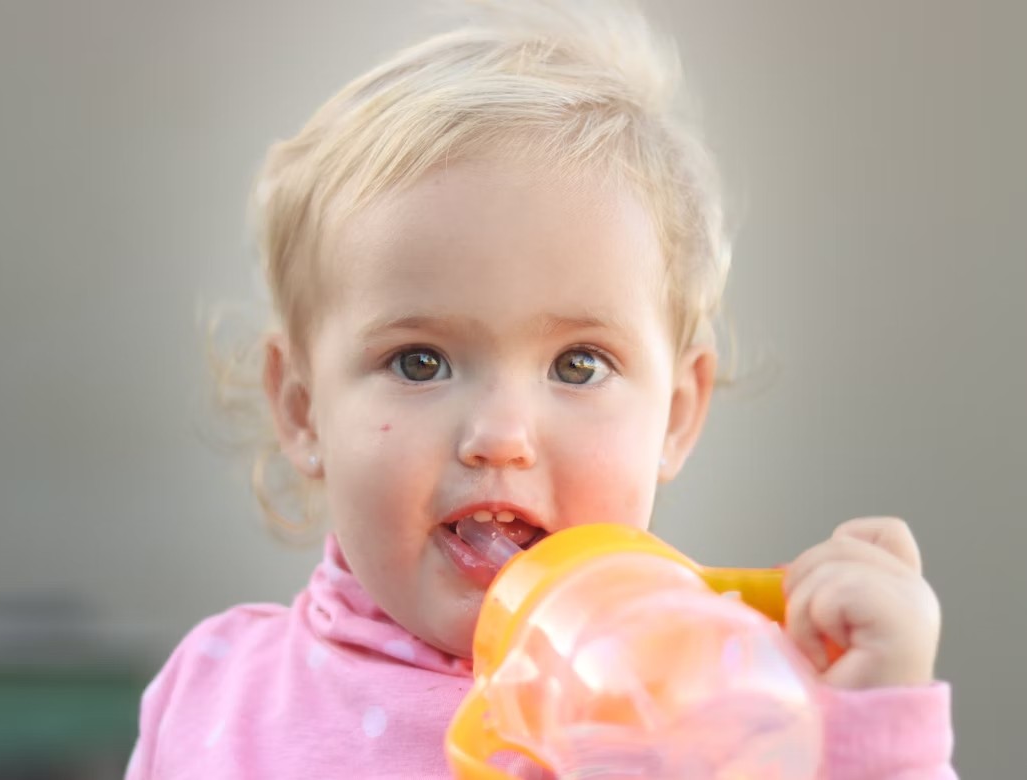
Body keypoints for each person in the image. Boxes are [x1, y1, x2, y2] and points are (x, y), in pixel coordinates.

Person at [125, 1, 955, 776]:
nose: (500, 434)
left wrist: (874, 724)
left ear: (675, 412)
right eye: (421, 362)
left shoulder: (716, 696)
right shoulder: (215, 693)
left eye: (577, 365)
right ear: (303, 409)